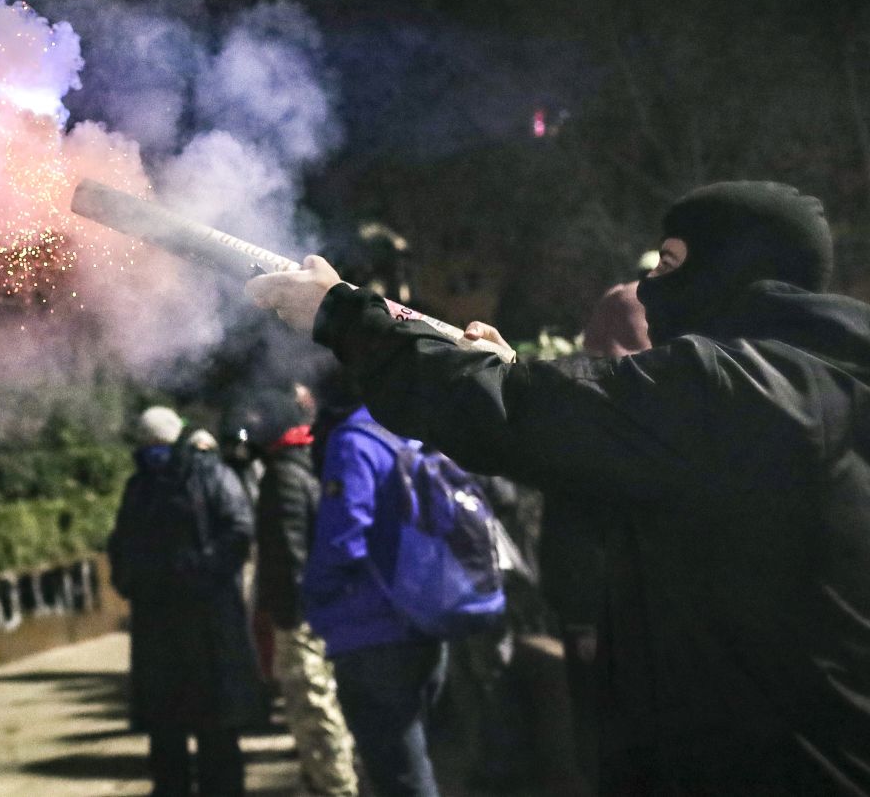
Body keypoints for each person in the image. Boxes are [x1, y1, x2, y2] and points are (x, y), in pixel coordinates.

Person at [248, 181, 870, 795]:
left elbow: (528, 415)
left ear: (736, 269)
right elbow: (604, 435)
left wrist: (344, 315)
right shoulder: (809, 385)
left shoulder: (748, 389)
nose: (651, 286)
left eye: (673, 263)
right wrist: (512, 375)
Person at [304, 373, 450, 797]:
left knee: (399, 775)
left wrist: (313, 599)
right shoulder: (411, 432)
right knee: (418, 761)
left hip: (372, 630)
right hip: (427, 621)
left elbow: (342, 540)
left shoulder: (355, 441)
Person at [108, 406, 260, 797]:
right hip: (168, 628)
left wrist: (194, 572)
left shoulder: (206, 474)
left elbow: (238, 532)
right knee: (175, 733)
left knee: (209, 731)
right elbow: (121, 547)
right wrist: (135, 582)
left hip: (204, 626)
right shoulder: (141, 486)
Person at [540, 280, 650, 788]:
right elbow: (572, 528)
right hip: (608, 616)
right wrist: (582, 618)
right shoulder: (596, 417)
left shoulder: (613, 408)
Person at [255, 405, 361, 797]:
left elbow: (288, 550)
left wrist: (290, 613)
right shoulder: (307, 465)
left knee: (313, 708)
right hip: (317, 609)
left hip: (301, 616)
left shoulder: (283, 475)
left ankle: (338, 787)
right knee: (320, 707)